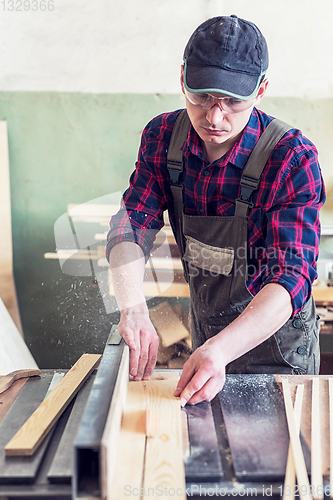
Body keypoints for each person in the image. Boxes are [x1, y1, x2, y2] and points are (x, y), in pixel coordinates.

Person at [106, 15, 325, 407]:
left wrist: (221, 350)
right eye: (202, 96)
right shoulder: (161, 140)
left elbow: (291, 275)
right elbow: (131, 225)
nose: (214, 116)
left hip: (277, 352)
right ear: (182, 79)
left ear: (261, 90)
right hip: (207, 337)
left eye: (233, 101)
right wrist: (133, 307)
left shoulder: (291, 158)